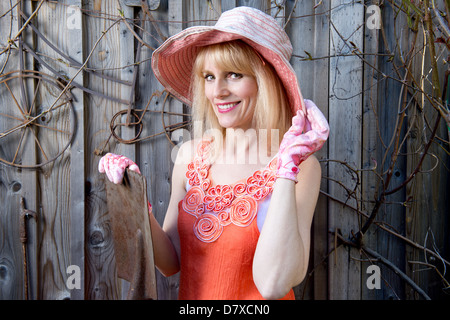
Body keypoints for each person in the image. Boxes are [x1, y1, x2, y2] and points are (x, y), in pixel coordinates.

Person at [99, 6, 329, 300]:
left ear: (266, 81)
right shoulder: (189, 157)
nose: (217, 91)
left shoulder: (301, 167)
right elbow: (170, 262)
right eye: (209, 77)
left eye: (233, 75)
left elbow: (273, 286)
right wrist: (132, 198)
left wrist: (285, 170)